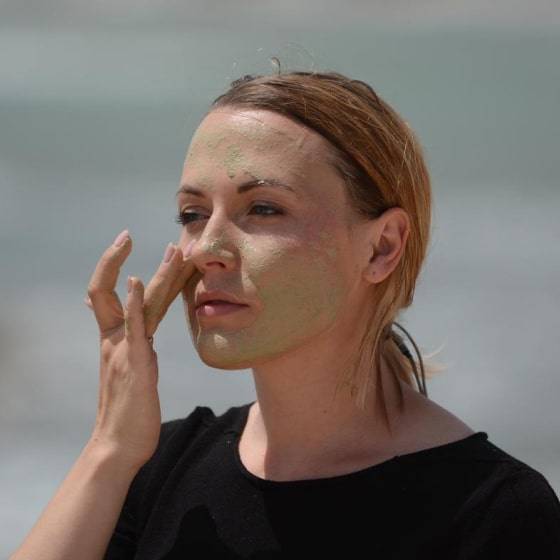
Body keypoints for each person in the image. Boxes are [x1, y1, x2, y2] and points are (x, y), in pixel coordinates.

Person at [10, 68, 560, 559]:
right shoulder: (154, 472)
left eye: (263, 209)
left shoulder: (492, 514)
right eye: (193, 214)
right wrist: (109, 448)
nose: (205, 250)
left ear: (382, 247)